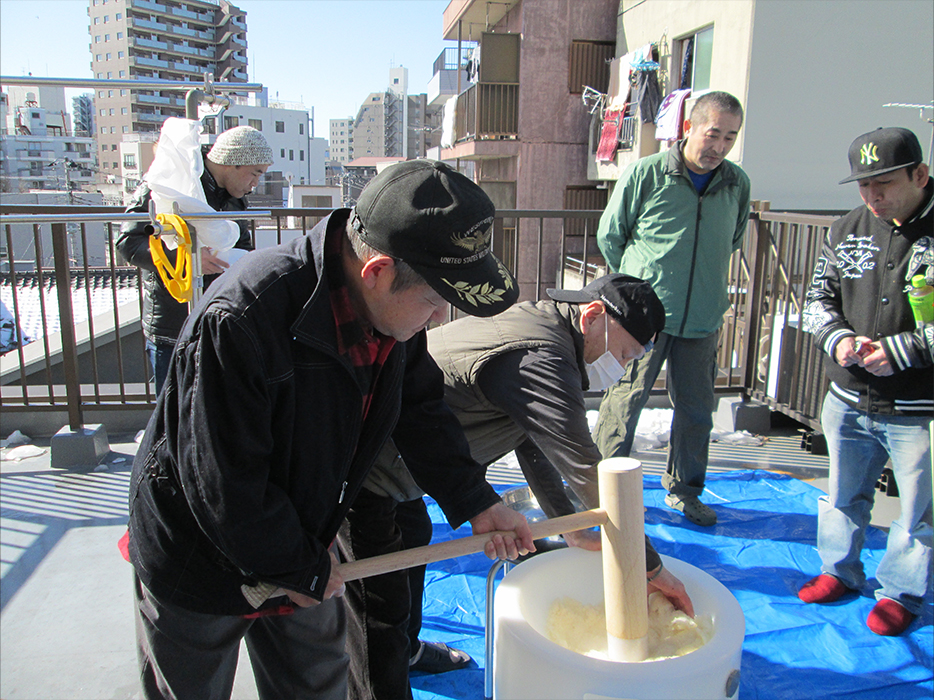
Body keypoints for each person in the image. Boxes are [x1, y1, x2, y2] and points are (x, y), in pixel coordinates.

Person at [126, 159, 536, 700]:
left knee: (317, 682)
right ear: (379, 271)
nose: (439, 319)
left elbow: (421, 411)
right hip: (198, 553)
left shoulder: (392, 310)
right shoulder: (241, 318)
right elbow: (221, 483)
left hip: (302, 536)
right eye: (436, 301)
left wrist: (476, 500)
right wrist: (299, 566)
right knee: (189, 687)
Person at [339, 273, 695, 700]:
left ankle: (408, 651)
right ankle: (382, 683)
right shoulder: (540, 356)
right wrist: (652, 568)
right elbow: (582, 462)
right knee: (379, 611)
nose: (619, 369)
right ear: (594, 315)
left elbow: (532, 442)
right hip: (368, 464)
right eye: (623, 353)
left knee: (413, 543)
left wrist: (571, 526)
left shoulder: (550, 332)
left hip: (408, 464)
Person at [593, 91, 751, 526]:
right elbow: (612, 236)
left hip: (701, 315)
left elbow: (733, 238)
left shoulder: (737, 183)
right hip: (642, 320)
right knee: (624, 403)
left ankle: (684, 491)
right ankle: (602, 492)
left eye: (730, 137)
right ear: (688, 129)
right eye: (713, 133)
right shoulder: (646, 173)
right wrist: (634, 291)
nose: (719, 146)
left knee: (697, 409)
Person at [798, 127, 932, 637]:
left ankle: (901, 590)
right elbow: (818, 299)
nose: (873, 197)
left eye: (886, 184)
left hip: (920, 406)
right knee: (841, 493)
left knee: (919, 510)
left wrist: (900, 351)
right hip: (848, 395)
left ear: (920, 175)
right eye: (864, 186)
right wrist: (837, 340)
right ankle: (838, 569)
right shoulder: (846, 228)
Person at [116, 124, 273, 393]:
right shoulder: (170, 181)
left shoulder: (234, 200)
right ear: (234, 162)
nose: (255, 184)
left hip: (217, 320)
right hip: (172, 321)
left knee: (208, 410)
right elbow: (128, 241)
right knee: (172, 410)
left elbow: (243, 246)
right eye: (255, 173)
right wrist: (187, 258)